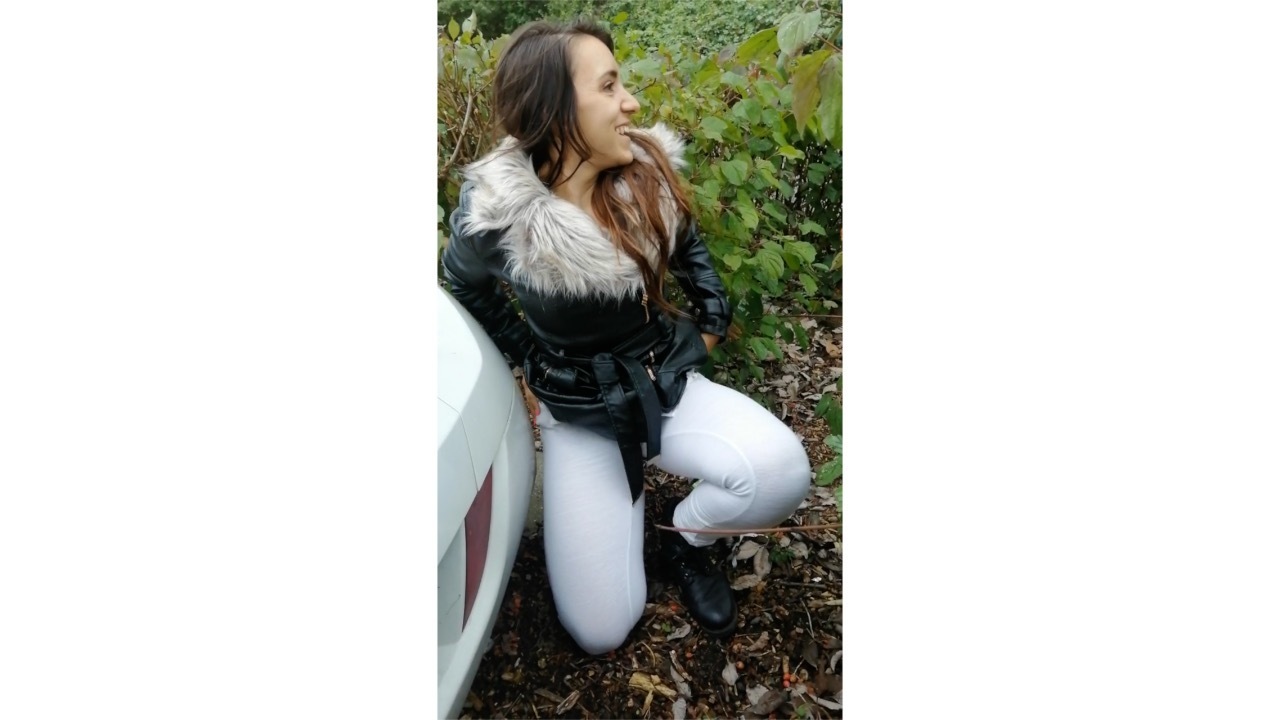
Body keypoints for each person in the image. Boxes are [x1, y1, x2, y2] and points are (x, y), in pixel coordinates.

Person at [442, 18, 811, 655]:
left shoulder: (642, 171)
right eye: (609, 86)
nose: (631, 103)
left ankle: (684, 538)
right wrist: (530, 357)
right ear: (555, 109)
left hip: (662, 384)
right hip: (582, 413)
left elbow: (685, 240)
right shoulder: (498, 214)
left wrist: (711, 318)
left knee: (779, 472)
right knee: (601, 629)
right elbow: (465, 285)